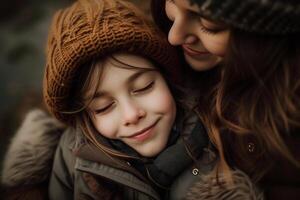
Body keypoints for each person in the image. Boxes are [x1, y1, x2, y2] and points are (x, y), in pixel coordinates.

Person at [1, 0, 216, 199]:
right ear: (83, 115)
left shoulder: (216, 127)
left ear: (167, 78)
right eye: (103, 107)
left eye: (144, 87)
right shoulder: (72, 163)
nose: (132, 115)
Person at [151, 0, 300, 199]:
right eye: (171, 2)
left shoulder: (286, 129)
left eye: (209, 24)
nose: (174, 36)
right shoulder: (154, 51)